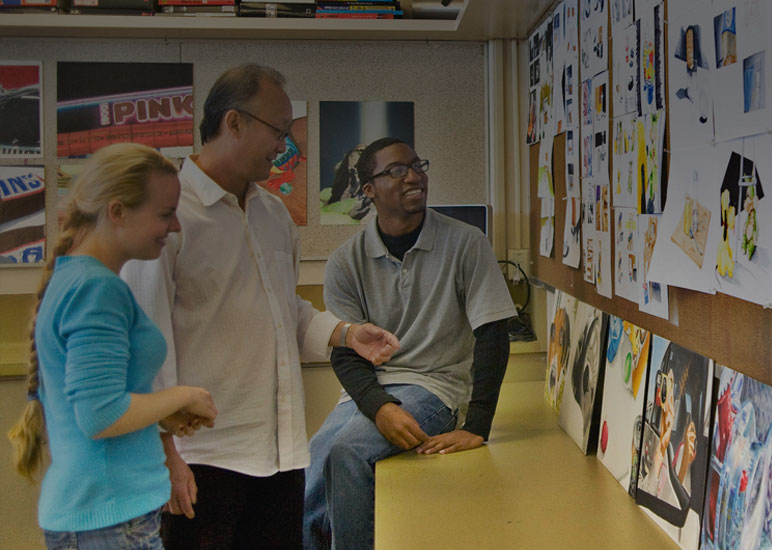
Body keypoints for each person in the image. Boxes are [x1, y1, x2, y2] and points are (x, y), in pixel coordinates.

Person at [120, 64, 400, 550]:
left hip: (280, 455)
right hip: (202, 460)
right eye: (278, 130)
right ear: (233, 123)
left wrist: (345, 333)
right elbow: (144, 342)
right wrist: (163, 453)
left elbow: (281, 313)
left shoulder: (273, 214)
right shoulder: (168, 212)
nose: (285, 147)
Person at [304, 137, 516, 550]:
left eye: (418, 166)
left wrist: (478, 426)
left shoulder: (466, 242)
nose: (414, 176)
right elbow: (346, 352)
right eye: (397, 170)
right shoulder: (345, 262)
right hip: (367, 391)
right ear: (369, 190)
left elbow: (492, 333)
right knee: (313, 460)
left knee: (348, 453)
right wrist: (379, 406)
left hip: (435, 387)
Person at [8, 143, 218, 549]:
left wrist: (164, 412)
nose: (175, 227)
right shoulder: (96, 289)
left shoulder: (81, 279)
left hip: (105, 516)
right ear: (118, 211)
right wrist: (182, 394)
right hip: (109, 520)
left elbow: (103, 402)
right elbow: (99, 415)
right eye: (165, 214)